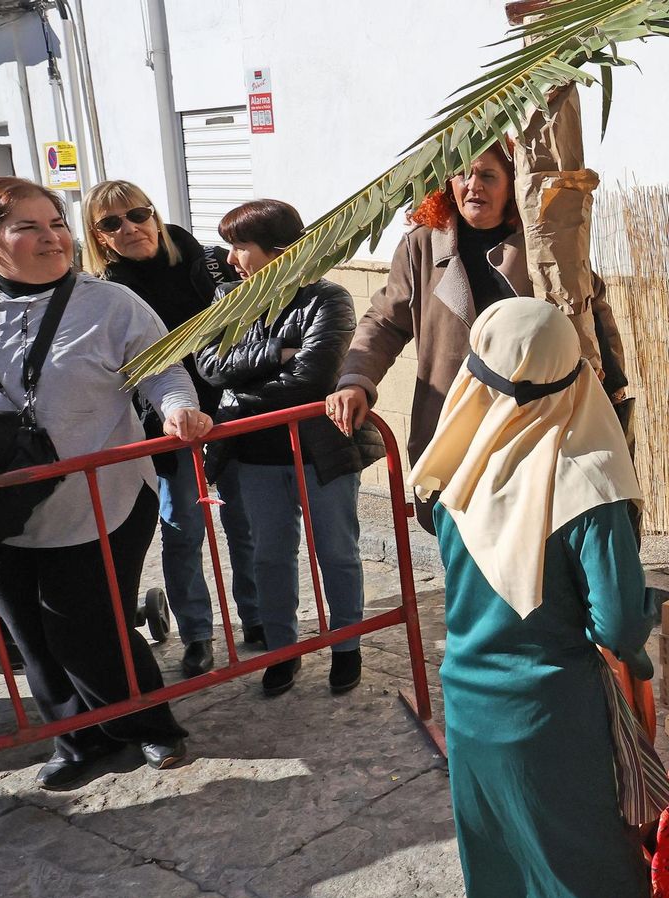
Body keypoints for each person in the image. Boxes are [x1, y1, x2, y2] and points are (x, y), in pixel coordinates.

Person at [0, 177, 208, 788]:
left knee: (87, 623)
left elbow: (164, 372)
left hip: (99, 491)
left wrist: (179, 408)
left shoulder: (111, 304)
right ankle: (78, 741)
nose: (53, 238)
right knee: (28, 631)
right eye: (29, 227)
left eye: (57, 223)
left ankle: (148, 727)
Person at [408, 297, 656, 898]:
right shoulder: (589, 485)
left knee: (501, 869)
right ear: (576, 376)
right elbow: (619, 625)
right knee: (585, 870)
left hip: (469, 707)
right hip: (555, 719)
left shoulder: (457, 471)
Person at [326, 143, 633, 533]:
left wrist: (612, 389)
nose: (473, 186)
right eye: (462, 174)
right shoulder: (421, 244)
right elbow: (386, 321)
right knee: (459, 537)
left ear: (512, 186)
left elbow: (592, 314)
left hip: (531, 423)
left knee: (530, 540)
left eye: (488, 176)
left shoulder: (545, 247)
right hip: (454, 424)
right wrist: (356, 380)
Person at [195, 199, 382, 697]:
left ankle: (347, 645)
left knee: (337, 551)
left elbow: (312, 379)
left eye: (240, 247)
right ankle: (283, 650)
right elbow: (209, 367)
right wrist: (278, 354)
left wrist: (245, 380)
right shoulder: (227, 298)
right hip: (254, 452)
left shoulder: (328, 299)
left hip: (323, 449)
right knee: (270, 557)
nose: (231, 258)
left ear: (279, 253)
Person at [83, 179, 258, 677]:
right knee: (183, 532)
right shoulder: (106, 294)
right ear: (98, 238)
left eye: (138, 214)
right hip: (168, 429)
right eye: (111, 223)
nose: (130, 228)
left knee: (244, 524)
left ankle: (258, 619)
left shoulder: (204, 261)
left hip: (230, 415)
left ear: (154, 214)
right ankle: (198, 634)